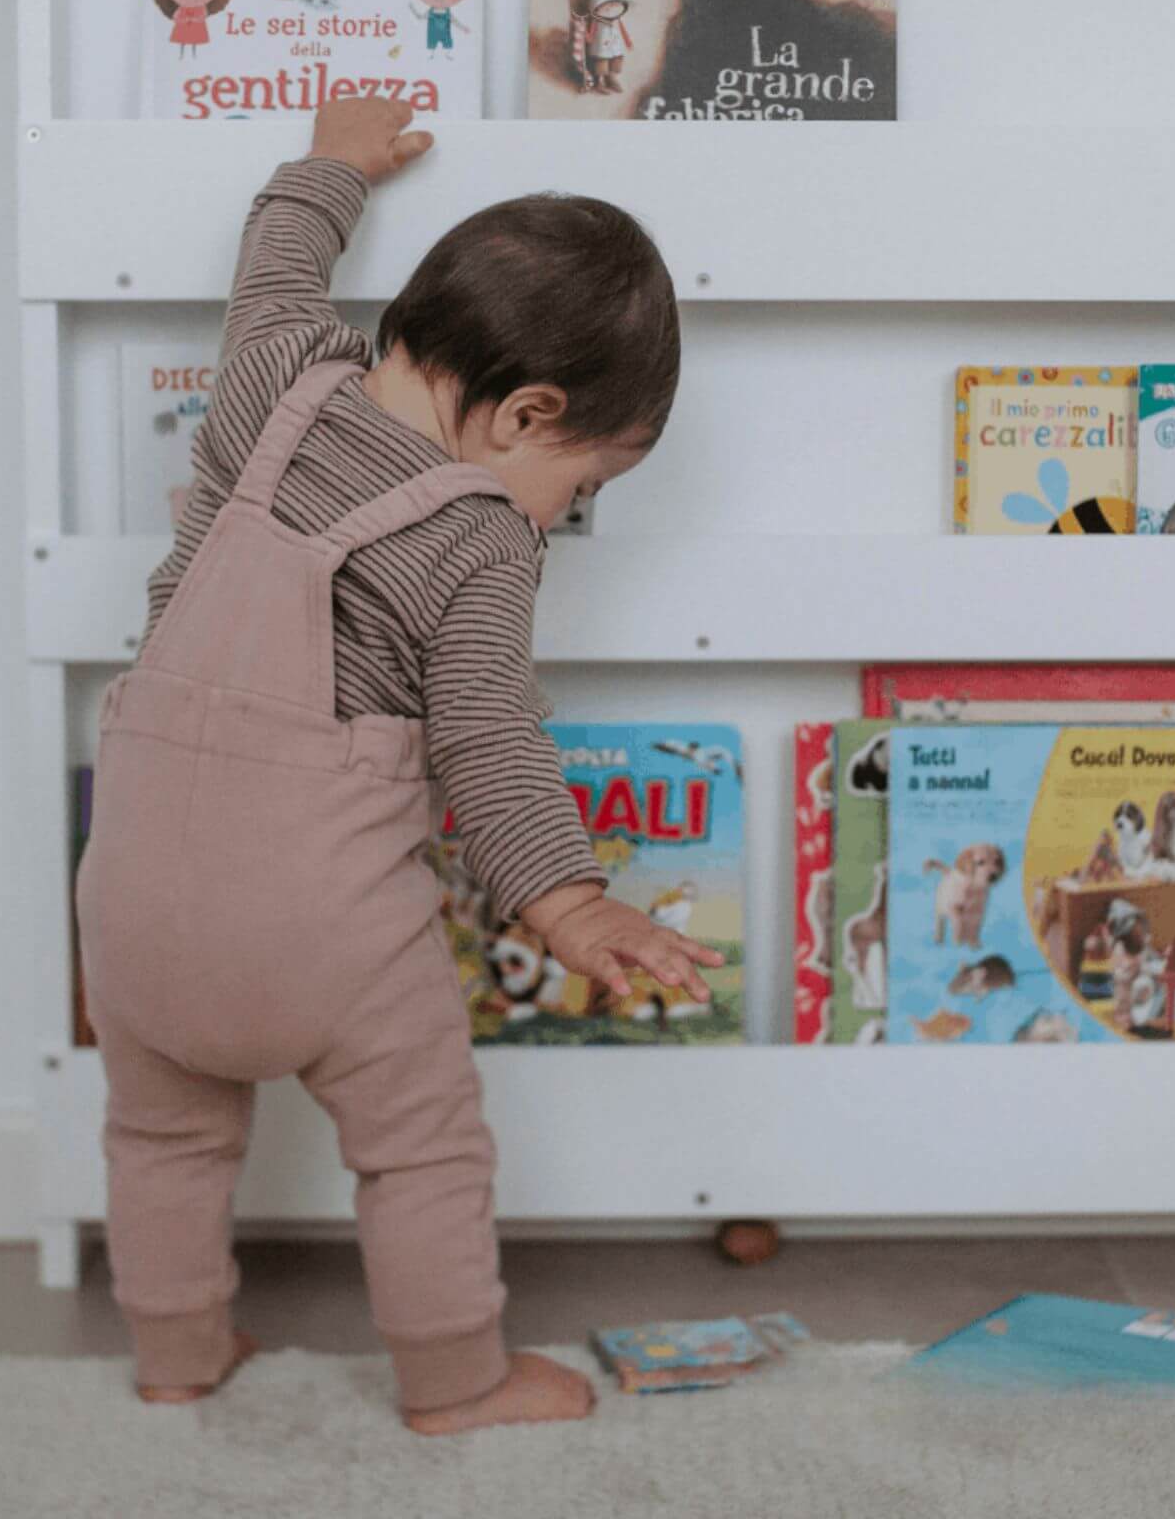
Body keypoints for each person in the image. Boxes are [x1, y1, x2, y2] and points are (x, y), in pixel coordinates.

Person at [76, 96, 719, 1435]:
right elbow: (488, 741)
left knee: (163, 1141)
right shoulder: (479, 539)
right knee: (421, 1147)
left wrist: (333, 162)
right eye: (584, 484)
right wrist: (567, 900)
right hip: (319, 933)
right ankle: (454, 1378)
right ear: (526, 416)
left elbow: (279, 260)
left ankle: (177, 1355)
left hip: (128, 896)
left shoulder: (273, 380)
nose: (570, 515)